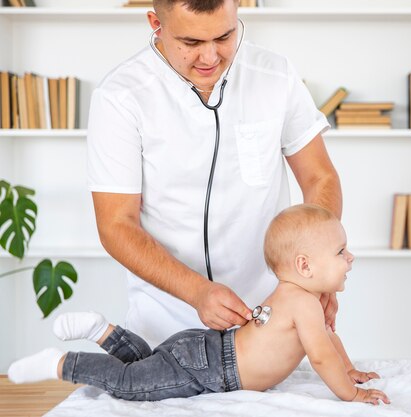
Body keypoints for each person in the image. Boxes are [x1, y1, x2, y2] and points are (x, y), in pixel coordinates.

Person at [87, 0, 342, 348]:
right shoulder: (119, 97)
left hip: (273, 324)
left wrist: (318, 273)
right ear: (155, 23)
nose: (210, 58)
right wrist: (197, 292)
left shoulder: (276, 74)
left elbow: (319, 178)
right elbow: (116, 225)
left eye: (224, 36)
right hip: (163, 329)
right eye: (191, 43)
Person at [8, 205, 390, 406]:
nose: (350, 257)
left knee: (145, 367)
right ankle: (60, 363)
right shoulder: (303, 303)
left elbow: (327, 339)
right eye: (341, 251)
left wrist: (351, 368)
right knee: (130, 384)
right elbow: (321, 357)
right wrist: (351, 394)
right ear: (305, 266)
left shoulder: (302, 298)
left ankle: (104, 333)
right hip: (211, 369)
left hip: (205, 349)